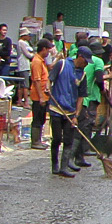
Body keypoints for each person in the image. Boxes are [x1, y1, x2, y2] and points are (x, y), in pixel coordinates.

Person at [51, 40, 88, 175]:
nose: (86, 64)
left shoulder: (82, 74)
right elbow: (50, 80)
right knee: (56, 138)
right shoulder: (62, 64)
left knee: (68, 140)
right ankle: (54, 165)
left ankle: (64, 167)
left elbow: (81, 97)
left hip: (71, 111)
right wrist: (46, 89)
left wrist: (76, 116)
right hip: (56, 108)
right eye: (86, 61)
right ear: (80, 57)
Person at [26, 39, 54, 149]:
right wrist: (41, 96)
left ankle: (38, 140)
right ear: (43, 49)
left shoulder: (41, 60)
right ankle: (35, 142)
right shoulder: (37, 61)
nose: (48, 52)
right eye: (47, 50)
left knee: (41, 118)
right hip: (38, 96)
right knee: (37, 119)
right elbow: (37, 80)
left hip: (43, 94)